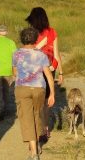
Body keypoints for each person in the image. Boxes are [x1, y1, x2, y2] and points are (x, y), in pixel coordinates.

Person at [13, 27, 55, 160]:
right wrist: (52, 93)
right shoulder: (41, 55)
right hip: (39, 89)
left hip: (22, 88)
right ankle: (37, 145)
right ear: (36, 39)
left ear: (22, 39)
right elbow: (48, 75)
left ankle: (34, 152)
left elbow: (14, 73)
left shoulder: (16, 54)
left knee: (27, 118)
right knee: (37, 116)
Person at [25, 7, 63, 142]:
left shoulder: (30, 33)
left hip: (34, 71)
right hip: (49, 70)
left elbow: (27, 53)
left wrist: (39, 45)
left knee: (36, 100)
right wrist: (59, 70)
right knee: (46, 100)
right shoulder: (52, 32)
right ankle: (45, 128)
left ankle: (38, 128)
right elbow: (57, 54)